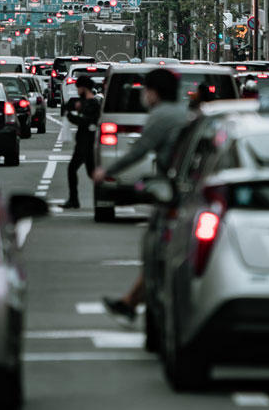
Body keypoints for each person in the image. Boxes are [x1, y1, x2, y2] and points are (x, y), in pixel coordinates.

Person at [97, 67, 190, 322]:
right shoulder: (181, 112)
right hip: (180, 189)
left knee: (160, 250)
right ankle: (129, 303)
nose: (143, 95)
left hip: (176, 193)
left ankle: (133, 303)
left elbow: (140, 149)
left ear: (154, 91)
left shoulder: (162, 115)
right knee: (161, 251)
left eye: (145, 90)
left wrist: (107, 171)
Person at [63, 74, 101, 209]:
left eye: (78, 88)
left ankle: (74, 199)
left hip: (87, 143)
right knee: (91, 172)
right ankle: (100, 196)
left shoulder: (93, 104)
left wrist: (71, 117)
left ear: (84, 88)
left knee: (73, 169)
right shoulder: (87, 102)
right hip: (85, 142)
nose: (77, 91)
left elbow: (86, 121)